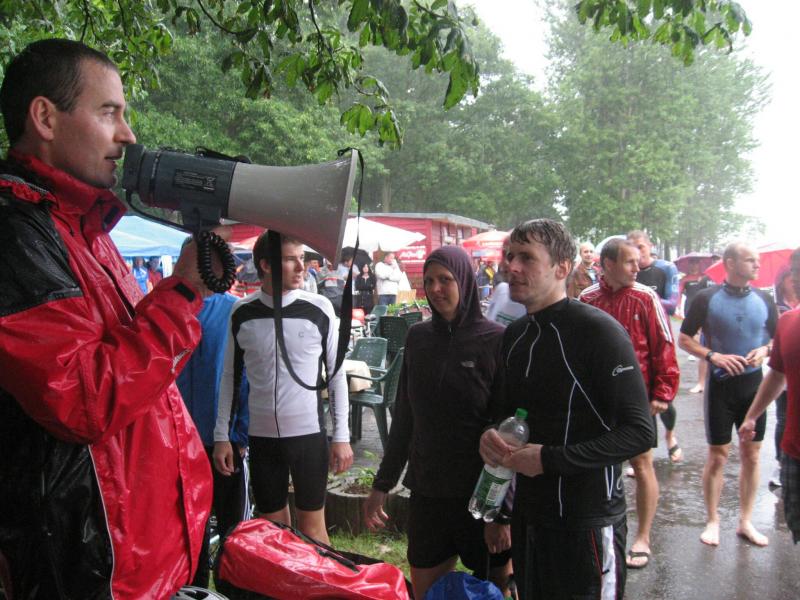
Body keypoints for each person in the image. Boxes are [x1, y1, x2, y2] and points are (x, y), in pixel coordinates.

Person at [0, 38, 219, 598]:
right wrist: (184, 293)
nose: (128, 135)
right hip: (92, 570)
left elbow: (129, 365)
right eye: (109, 113)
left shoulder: (79, 226)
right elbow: (83, 398)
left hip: (139, 561)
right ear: (45, 118)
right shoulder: (16, 235)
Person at [480, 219, 653, 600]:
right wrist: (489, 435)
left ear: (562, 268)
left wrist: (549, 460)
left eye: (527, 258)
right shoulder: (515, 335)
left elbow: (640, 433)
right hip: (530, 518)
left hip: (586, 522)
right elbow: (504, 414)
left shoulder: (598, 332)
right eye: (510, 256)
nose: (512, 266)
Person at [363, 245, 511, 599]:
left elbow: (509, 435)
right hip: (429, 493)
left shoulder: (495, 340)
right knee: (424, 592)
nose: (436, 289)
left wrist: (502, 514)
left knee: (495, 590)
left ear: (465, 281)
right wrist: (382, 484)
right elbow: (405, 418)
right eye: (429, 281)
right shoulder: (418, 338)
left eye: (446, 279)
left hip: (480, 496)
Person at [213, 232, 353, 544]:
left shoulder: (318, 308)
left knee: (313, 531)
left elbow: (336, 376)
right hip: (262, 439)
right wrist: (221, 435)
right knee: (274, 534)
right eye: (291, 259)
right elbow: (229, 377)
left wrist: (341, 436)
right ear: (265, 265)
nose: (301, 267)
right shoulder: (242, 312)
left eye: (301, 258)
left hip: (307, 436)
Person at [580, 239, 680, 570]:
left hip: (637, 398)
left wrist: (663, 391)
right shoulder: (587, 299)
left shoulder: (646, 297)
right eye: (629, 262)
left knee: (642, 463)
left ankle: (643, 537)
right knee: (596, 465)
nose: (638, 268)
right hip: (596, 399)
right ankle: (599, 531)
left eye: (638, 261)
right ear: (608, 264)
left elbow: (664, 344)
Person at [678, 242, 778, 547]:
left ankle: (745, 521)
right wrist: (713, 356)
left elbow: (776, 340)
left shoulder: (764, 299)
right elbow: (684, 339)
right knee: (718, 456)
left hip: (753, 388)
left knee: (752, 454)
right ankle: (713, 520)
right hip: (720, 387)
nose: (757, 265)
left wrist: (765, 350)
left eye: (757, 260)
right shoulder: (706, 298)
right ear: (731, 263)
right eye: (750, 260)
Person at [176, 290, 251, 588]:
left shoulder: (234, 309)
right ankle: (194, 589)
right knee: (190, 525)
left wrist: (240, 434)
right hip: (180, 441)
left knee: (233, 527)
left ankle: (234, 588)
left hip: (224, 440)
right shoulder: (169, 307)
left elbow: (247, 374)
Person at [739, 248, 800, 543]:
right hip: (795, 453)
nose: (796, 279)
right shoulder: (788, 322)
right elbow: (777, 374)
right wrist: (752, 415)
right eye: (795, 272)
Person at [628, 230, 683, 462]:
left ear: (650, 246)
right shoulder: (628, 269)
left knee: (663, 397)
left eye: (641, 247)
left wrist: (644, 295)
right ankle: (643, 454)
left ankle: (670, 435)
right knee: (640, 396)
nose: (637, 253)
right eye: (632, 248)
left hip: (660, 336)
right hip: (634, 338)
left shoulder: (665, 268)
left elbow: (672, 304)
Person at [679, 258, 713, 394]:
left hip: (713, 313)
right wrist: (678, 307)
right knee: (700, 339)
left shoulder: (706, 277)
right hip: (694, 309)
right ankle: (701, 382)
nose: (694, 265)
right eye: (692, 263)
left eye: (696, 263)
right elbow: (680, 293)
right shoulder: (689, 279)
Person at [485, 234, 526, 327]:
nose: (507, 263)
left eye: (525, 257)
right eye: (507, 255)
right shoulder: (501, 290)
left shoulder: (538, 306)